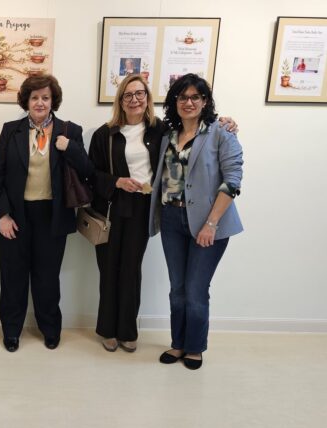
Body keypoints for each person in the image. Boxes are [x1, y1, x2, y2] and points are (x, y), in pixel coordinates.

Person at [89, 75, 238, 354]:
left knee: (133, 271)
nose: (134, 99)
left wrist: (227, 121)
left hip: (145, 208)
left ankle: (130, 332)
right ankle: (108, 330)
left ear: (148, 98)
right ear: (120, 100)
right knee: (112, 271)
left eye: (140, 94)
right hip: (113, 209)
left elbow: (215, 154)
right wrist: (115, 182)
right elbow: (90, 174)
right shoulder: (105, 134)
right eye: (128, 95)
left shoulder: (161, 130)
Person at [0, 74, 93, 352]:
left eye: (45, 97)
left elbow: (87, 170)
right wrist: (2, 215)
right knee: (13, 277)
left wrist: (69, 147)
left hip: (52, 216)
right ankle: (11, 331)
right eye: (34, 97)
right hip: (15, 216)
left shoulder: (69, 130)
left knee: (47, 277)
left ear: (53, 100)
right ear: (26, 100)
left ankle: (50, 329)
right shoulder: (11, 130)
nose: (40, 102)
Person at [149, 73, 243, 370]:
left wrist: (211, 224)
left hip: (208, 222)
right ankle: (178, 343)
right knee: (177, 287)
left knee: (195, 289)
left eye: (195, 97)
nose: (188, 102)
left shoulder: (221, 133)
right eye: (182, 97)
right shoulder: (167, 135)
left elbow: (233, 181)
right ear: (174, 102)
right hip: (172, 219)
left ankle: (195, 347)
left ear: (205, 101)